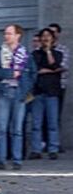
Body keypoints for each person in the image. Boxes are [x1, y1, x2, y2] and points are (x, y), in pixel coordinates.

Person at [0, 24, 36, 170]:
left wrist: (26, 89)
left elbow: (33, 73)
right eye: (5, 33)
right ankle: (1, 160)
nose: (6, 36)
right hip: (3, 92)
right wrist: (10, 74)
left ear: (18, 35)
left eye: (9, 33)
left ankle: (17, 160)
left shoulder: (25, 53)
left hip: (19, 93)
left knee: (17, 129)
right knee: (1, 129)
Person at [30, 28, 63, 160]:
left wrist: (49, 51)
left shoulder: (58, 53)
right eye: (43, 36)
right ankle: (36, 149)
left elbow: (56, 66)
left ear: (52, 38)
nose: (45, 38)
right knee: (36, 123)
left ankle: (53, 149)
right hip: (38, 91)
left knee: (52, 123)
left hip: (52, 92)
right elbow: (36, 70)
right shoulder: (35, 54)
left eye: (48, 36)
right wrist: (52, 70)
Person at [48, 23, 69, 151]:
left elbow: (62, 67)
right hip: (43, 86)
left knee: (56, 116)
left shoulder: (63, 49)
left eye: (54, 32)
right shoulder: (41, 49)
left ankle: (55, 143)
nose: (52, 34)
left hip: (59, 85)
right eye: (50, 32)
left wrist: (49, 69)